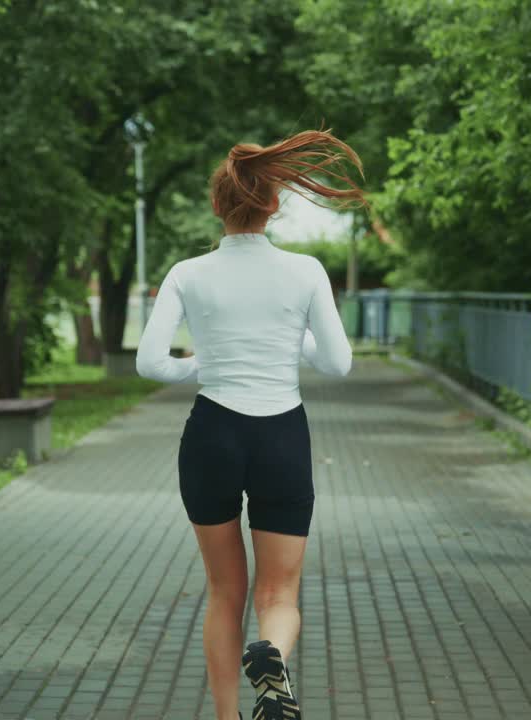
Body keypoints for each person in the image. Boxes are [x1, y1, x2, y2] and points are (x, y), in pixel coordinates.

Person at [135, 129, 364, 720]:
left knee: (224, 592)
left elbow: (151, 363)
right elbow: (338, 365)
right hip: (282, 435)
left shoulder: (188, 273)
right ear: (274, 205)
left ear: (219, 205)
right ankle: (272, 656)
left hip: (212, 434)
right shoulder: (306, 270)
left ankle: (228, 717)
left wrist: (205, 362)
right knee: (278, 593)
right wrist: (289, 338)